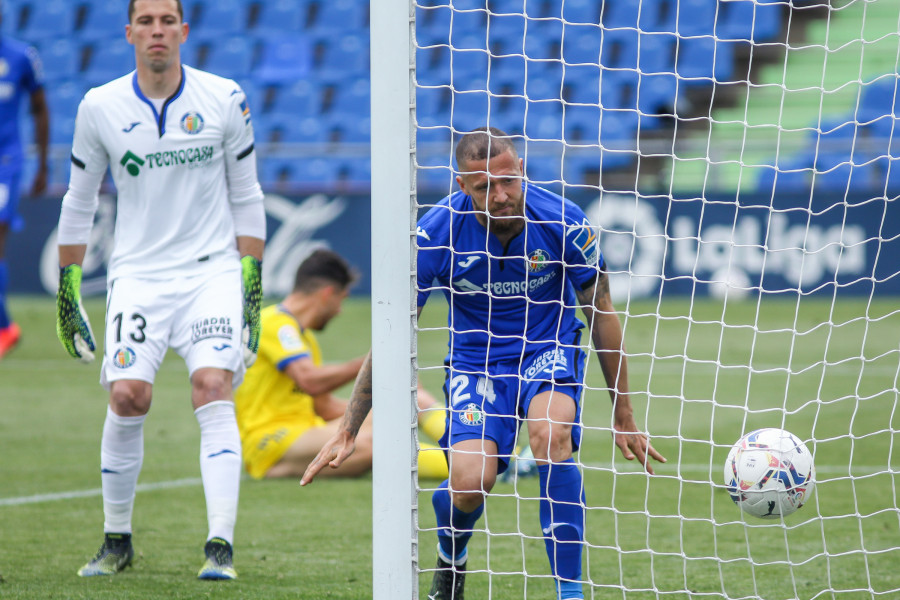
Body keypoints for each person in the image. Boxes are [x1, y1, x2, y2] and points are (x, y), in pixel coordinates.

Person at [301, 127, 667, 600]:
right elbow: (392, 334)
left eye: (508, 181)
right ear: (461, 186)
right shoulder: (435, 234)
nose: (500, 195)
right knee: (473, 483)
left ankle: (571, 592)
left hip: (546, 350)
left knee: (552, 437)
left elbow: (601, 311)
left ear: (521, 172)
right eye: (484, 187)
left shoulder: (564, 221)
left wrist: (623, 413)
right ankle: (452, 555)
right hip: (477, 365)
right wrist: (350, 428)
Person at [55, 0, 265, 581]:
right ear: (128, 33)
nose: (156, 31)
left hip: (211, 272)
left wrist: (252, 276)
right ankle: (116, 541)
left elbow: (246, 193)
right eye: (145, 21)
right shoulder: (99, 105)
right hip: (138, 277)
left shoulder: (224, 97)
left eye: (166, 20)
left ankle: (219, 547)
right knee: (127, 396)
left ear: (183, 31)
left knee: (211, 384)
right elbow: (79, 199)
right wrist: (68, 286)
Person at [235, 248, 449, 481]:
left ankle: (473, 454)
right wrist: (375, 362)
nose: (339, 310)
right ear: (327, 294)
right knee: (378, 442)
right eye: (342, 299)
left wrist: (387, 409)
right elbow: (309, 381)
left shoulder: (304, 339)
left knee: (409, 402)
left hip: (305, 431)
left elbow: (323, 407)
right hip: (270, 437)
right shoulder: (274, 323)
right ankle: (470, 469)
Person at [0, 1, 49, 358]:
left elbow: (40, 108)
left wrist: (44, 164)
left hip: (6, 161)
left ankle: (3, 328)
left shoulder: (21, 57)